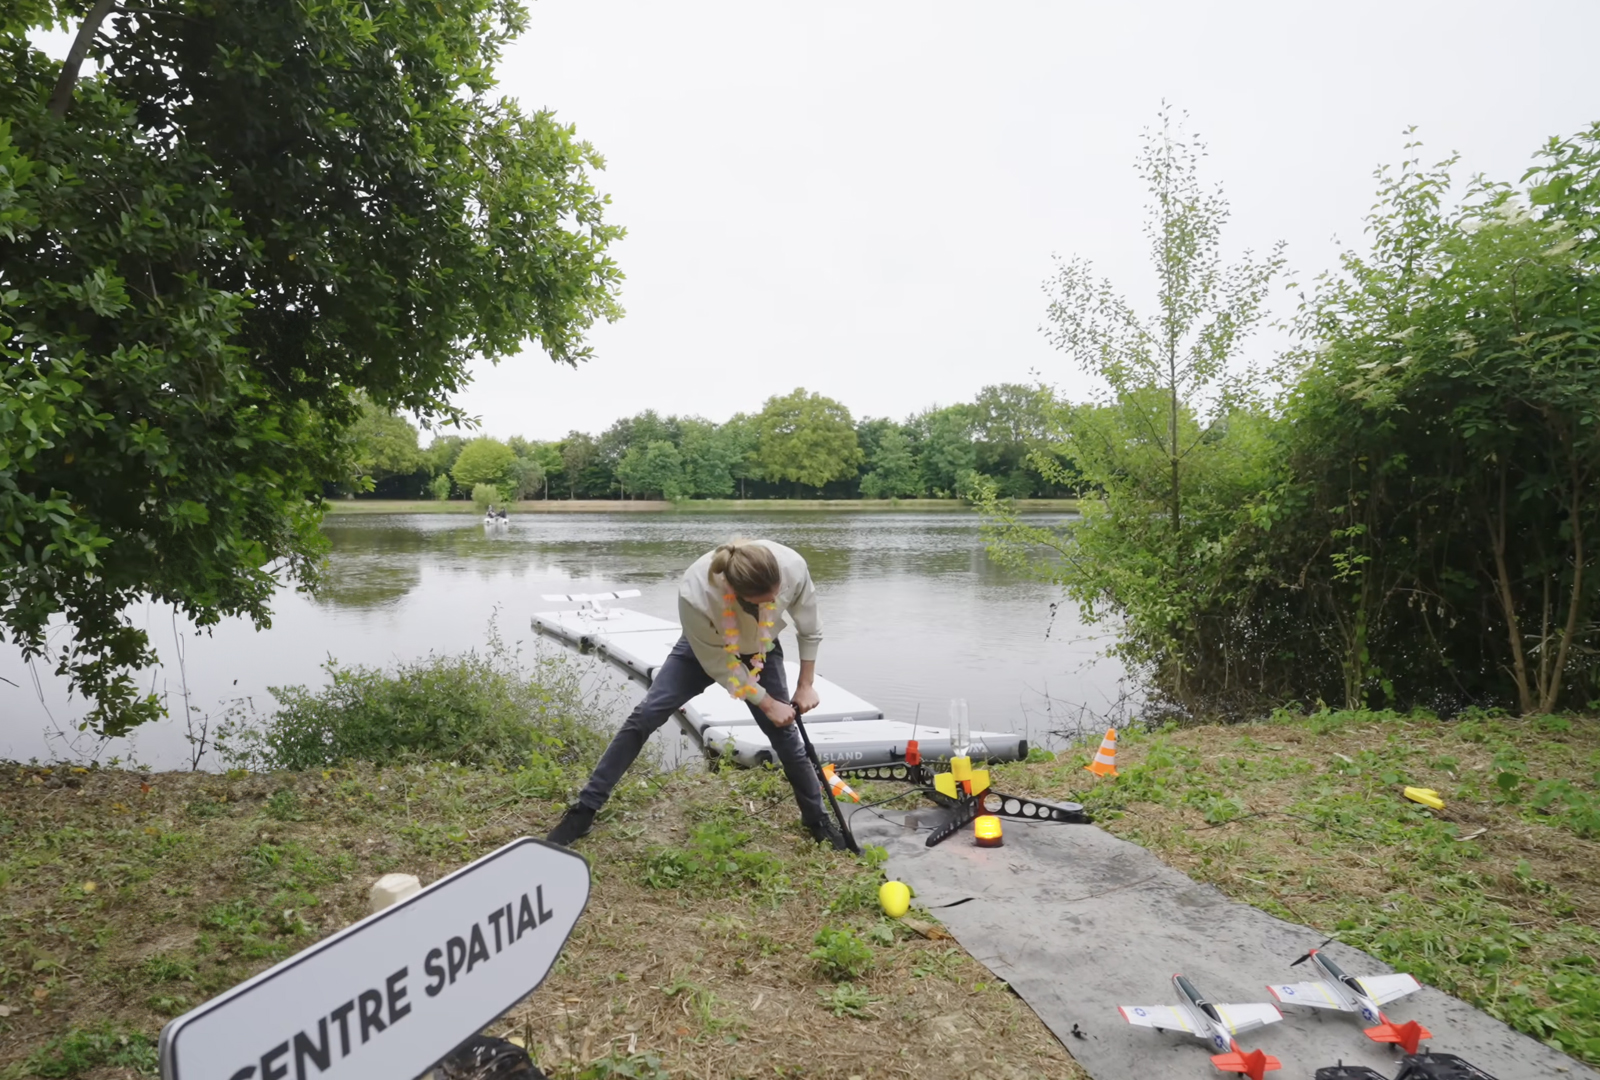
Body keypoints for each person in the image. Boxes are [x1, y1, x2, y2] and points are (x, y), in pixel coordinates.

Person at [547, 538, 846, 849]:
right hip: (704, 649)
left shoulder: (793, 567)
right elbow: (719, 664)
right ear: (734, 589)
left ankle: (816, 819)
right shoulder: (695, 592)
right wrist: (767, 703)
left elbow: (809, 628)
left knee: (785, 736)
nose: (770, 604)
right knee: (645, 716)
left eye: (775, 597)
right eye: (761, 601)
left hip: (762, 647)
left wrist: (806, 684)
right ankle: (584, 810)